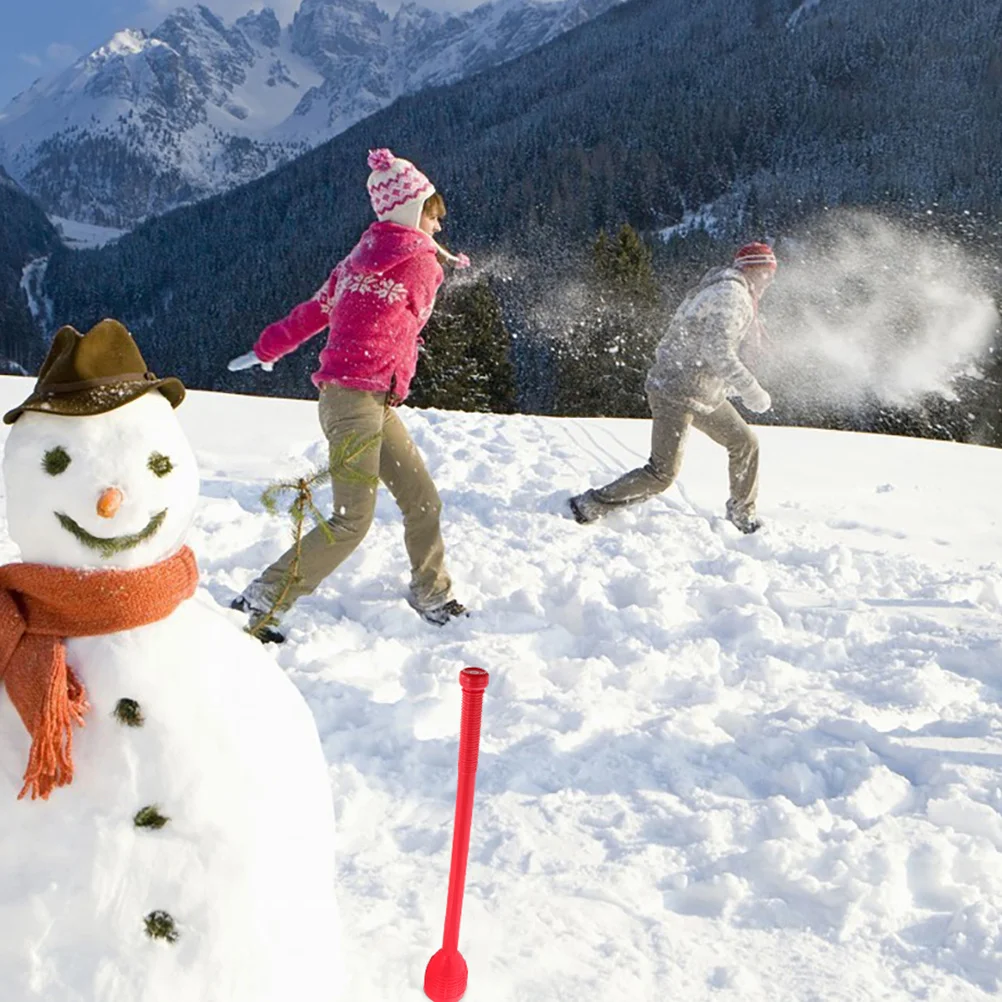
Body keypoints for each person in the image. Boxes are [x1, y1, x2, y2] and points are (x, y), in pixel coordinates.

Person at [227, 148, 470, 643]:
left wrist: (268, 346)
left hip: (364, 401)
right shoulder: (422, 264)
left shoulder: (358, 258)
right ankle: (262, 599)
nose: (439, 228)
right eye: (433, 215)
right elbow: (415, 316)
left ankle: (432, 591)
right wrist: (440, 262)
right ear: (411, 211)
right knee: (352, 520)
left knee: (422, 500)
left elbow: (315, 310)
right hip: (354, 403)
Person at [568, 242, 778, 533]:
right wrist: (750, 389)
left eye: (772, 274)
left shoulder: (722, 290)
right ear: (750, 270)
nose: (769, 281)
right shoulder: (732, 296)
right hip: (676, 391)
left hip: (701, 391)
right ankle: (589, 505)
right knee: (662, 474)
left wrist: (724, 385)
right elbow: (716, 350)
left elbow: (690, 344)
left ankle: (742, 515)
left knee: (744, 442)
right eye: (766, 273)